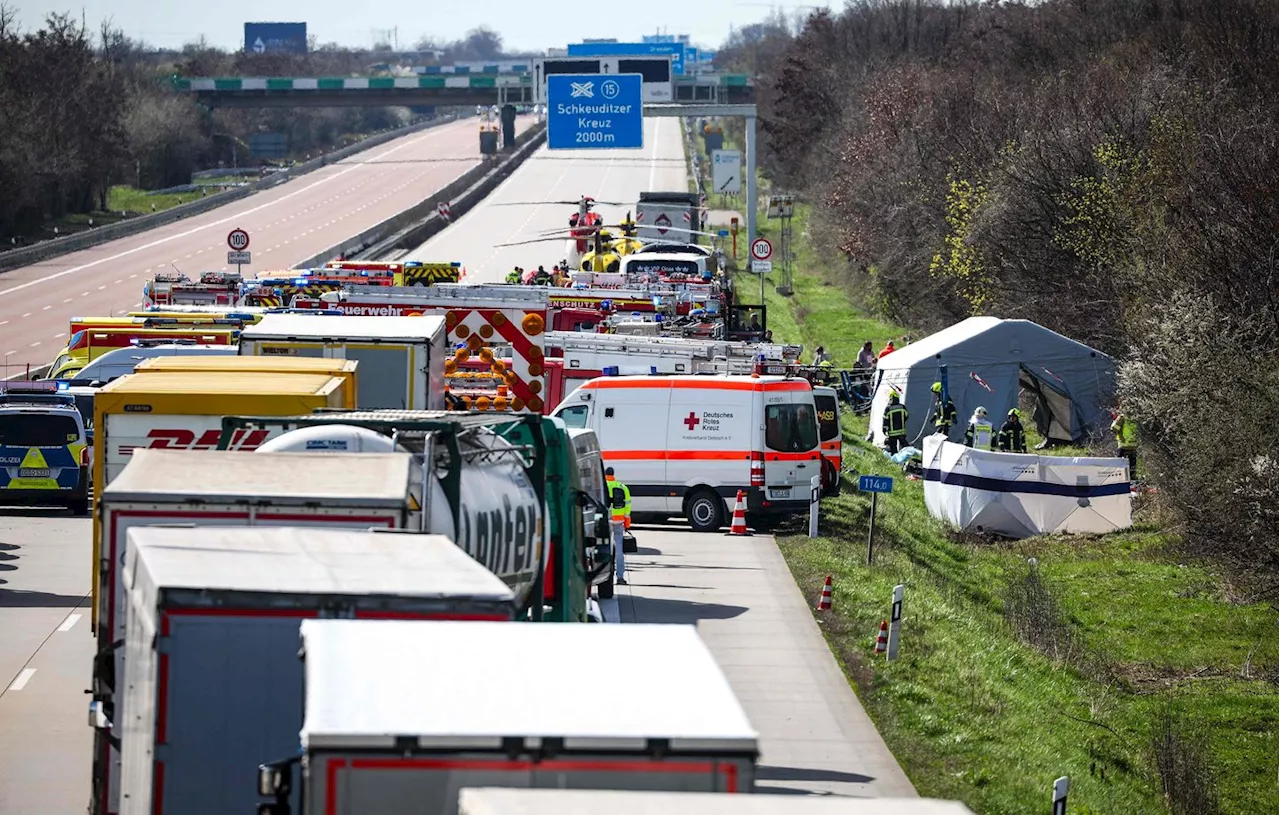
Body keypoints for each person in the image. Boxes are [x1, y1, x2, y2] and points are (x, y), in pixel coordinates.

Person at [605, 467, 631, 586]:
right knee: (619, 550)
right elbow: (627, 508)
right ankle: (620, 577)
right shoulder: (622, 487)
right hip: (618, 521)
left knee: (603, 549)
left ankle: (604, 576)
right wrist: (627, 523)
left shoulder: (601, 486)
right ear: (613, 474)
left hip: (604, 522)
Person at [1111, 410, 1139, 477]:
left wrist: (1118, 429)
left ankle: (1120, 480)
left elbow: (1114, 428)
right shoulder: (1137, 416)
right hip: (1133, 446)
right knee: (1132, 467)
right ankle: (1132, 481)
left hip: (1123, 446)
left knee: (1119, 466)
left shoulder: (1122, 417)